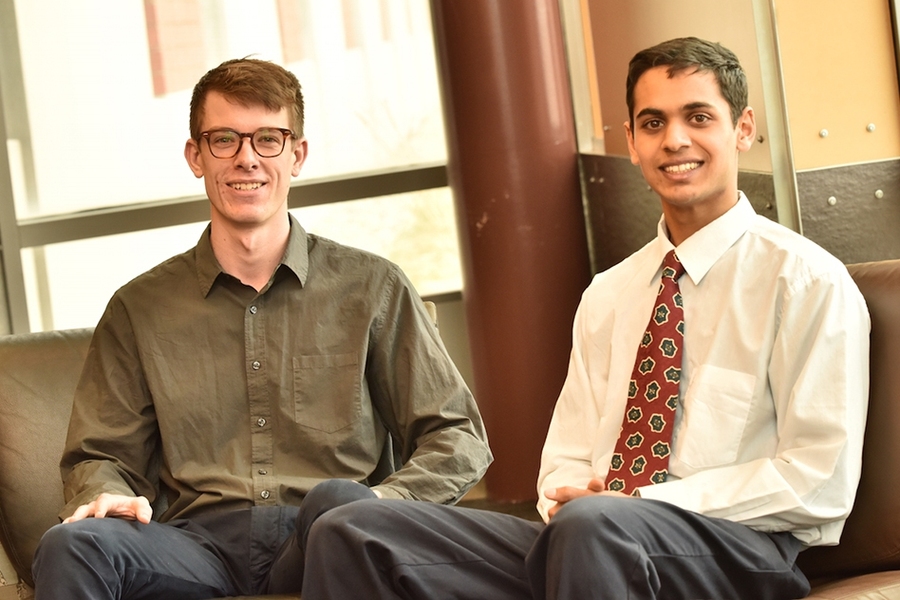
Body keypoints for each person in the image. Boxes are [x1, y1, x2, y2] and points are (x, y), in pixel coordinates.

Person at [297, 37, 871, 600]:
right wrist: (569, 500)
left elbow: (817, 481)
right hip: (590, 535)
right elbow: (565, 460)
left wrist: (644, 504)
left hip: (740, 550)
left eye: (698, 117)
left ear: (742, 129)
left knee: (593, 527)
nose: (675, 140)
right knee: (352, 530)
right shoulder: (609, 293)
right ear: (631, 142)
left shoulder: (805, 282)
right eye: (652, 123)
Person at [31, 57, 491, 599]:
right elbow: (99, 454)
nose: (247, 158)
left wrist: (387, 506)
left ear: (296, 155)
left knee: (339, 503)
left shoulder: (373, 288)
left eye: (267, 139)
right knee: (72, 544)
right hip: (194, 549)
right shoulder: (139, 308)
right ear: (195, 157)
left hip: (327, 534)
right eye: (224, 139)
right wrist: (105, 492)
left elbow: (456, 434)